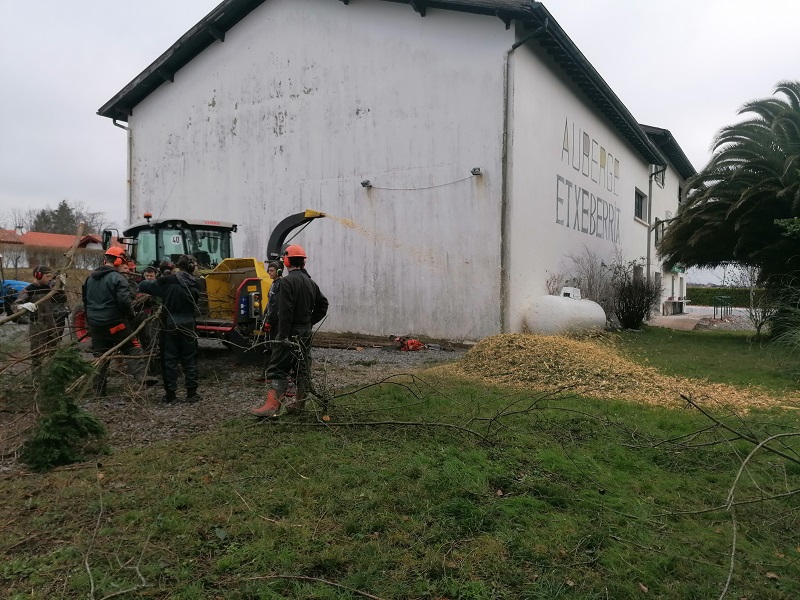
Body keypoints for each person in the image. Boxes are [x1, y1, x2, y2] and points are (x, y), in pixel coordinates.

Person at [251, 245, 328, 417]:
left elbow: (285, 310)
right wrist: (308, 322)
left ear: (286, 261)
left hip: (289, 331)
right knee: (302, 367)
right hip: (305, 332)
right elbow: (323, 304)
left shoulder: (286, 282)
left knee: (277, 367)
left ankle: (272, 408)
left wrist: (283, 335)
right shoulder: (311, 282)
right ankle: (300, 405)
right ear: (303, 261)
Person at [82, 247, 151, 396]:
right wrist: (131, 316)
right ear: (118, 261)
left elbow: (85, 300)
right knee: (133, 346)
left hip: (95, 325)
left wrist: (90, 320)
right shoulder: (118, 278)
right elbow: (124, 302)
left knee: (100, 356)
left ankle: (99, 392)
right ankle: (141, 377)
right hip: (115, 324)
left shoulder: (90, 278)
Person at [138, 254, 201, 403]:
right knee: (189, 358)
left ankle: (171, 395)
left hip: (170, 323)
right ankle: (192, 393)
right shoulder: (196, 283)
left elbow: (143, 286)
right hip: (188, 322)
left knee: (169, 359)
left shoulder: (167, 282)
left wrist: (158, 278)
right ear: (191, 266)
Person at [14, 266, 69, 370]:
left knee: (54, 352)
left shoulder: (50, 288)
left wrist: (61, 288)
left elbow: (62, 300)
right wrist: (22, 306)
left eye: (50, 276)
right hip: (37, 328)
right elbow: (15, 306)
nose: (49, 278)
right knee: (37, 356)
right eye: (47, 276)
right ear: (38, 275)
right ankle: (37, 380)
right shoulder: (29, 290)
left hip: (51, 326)